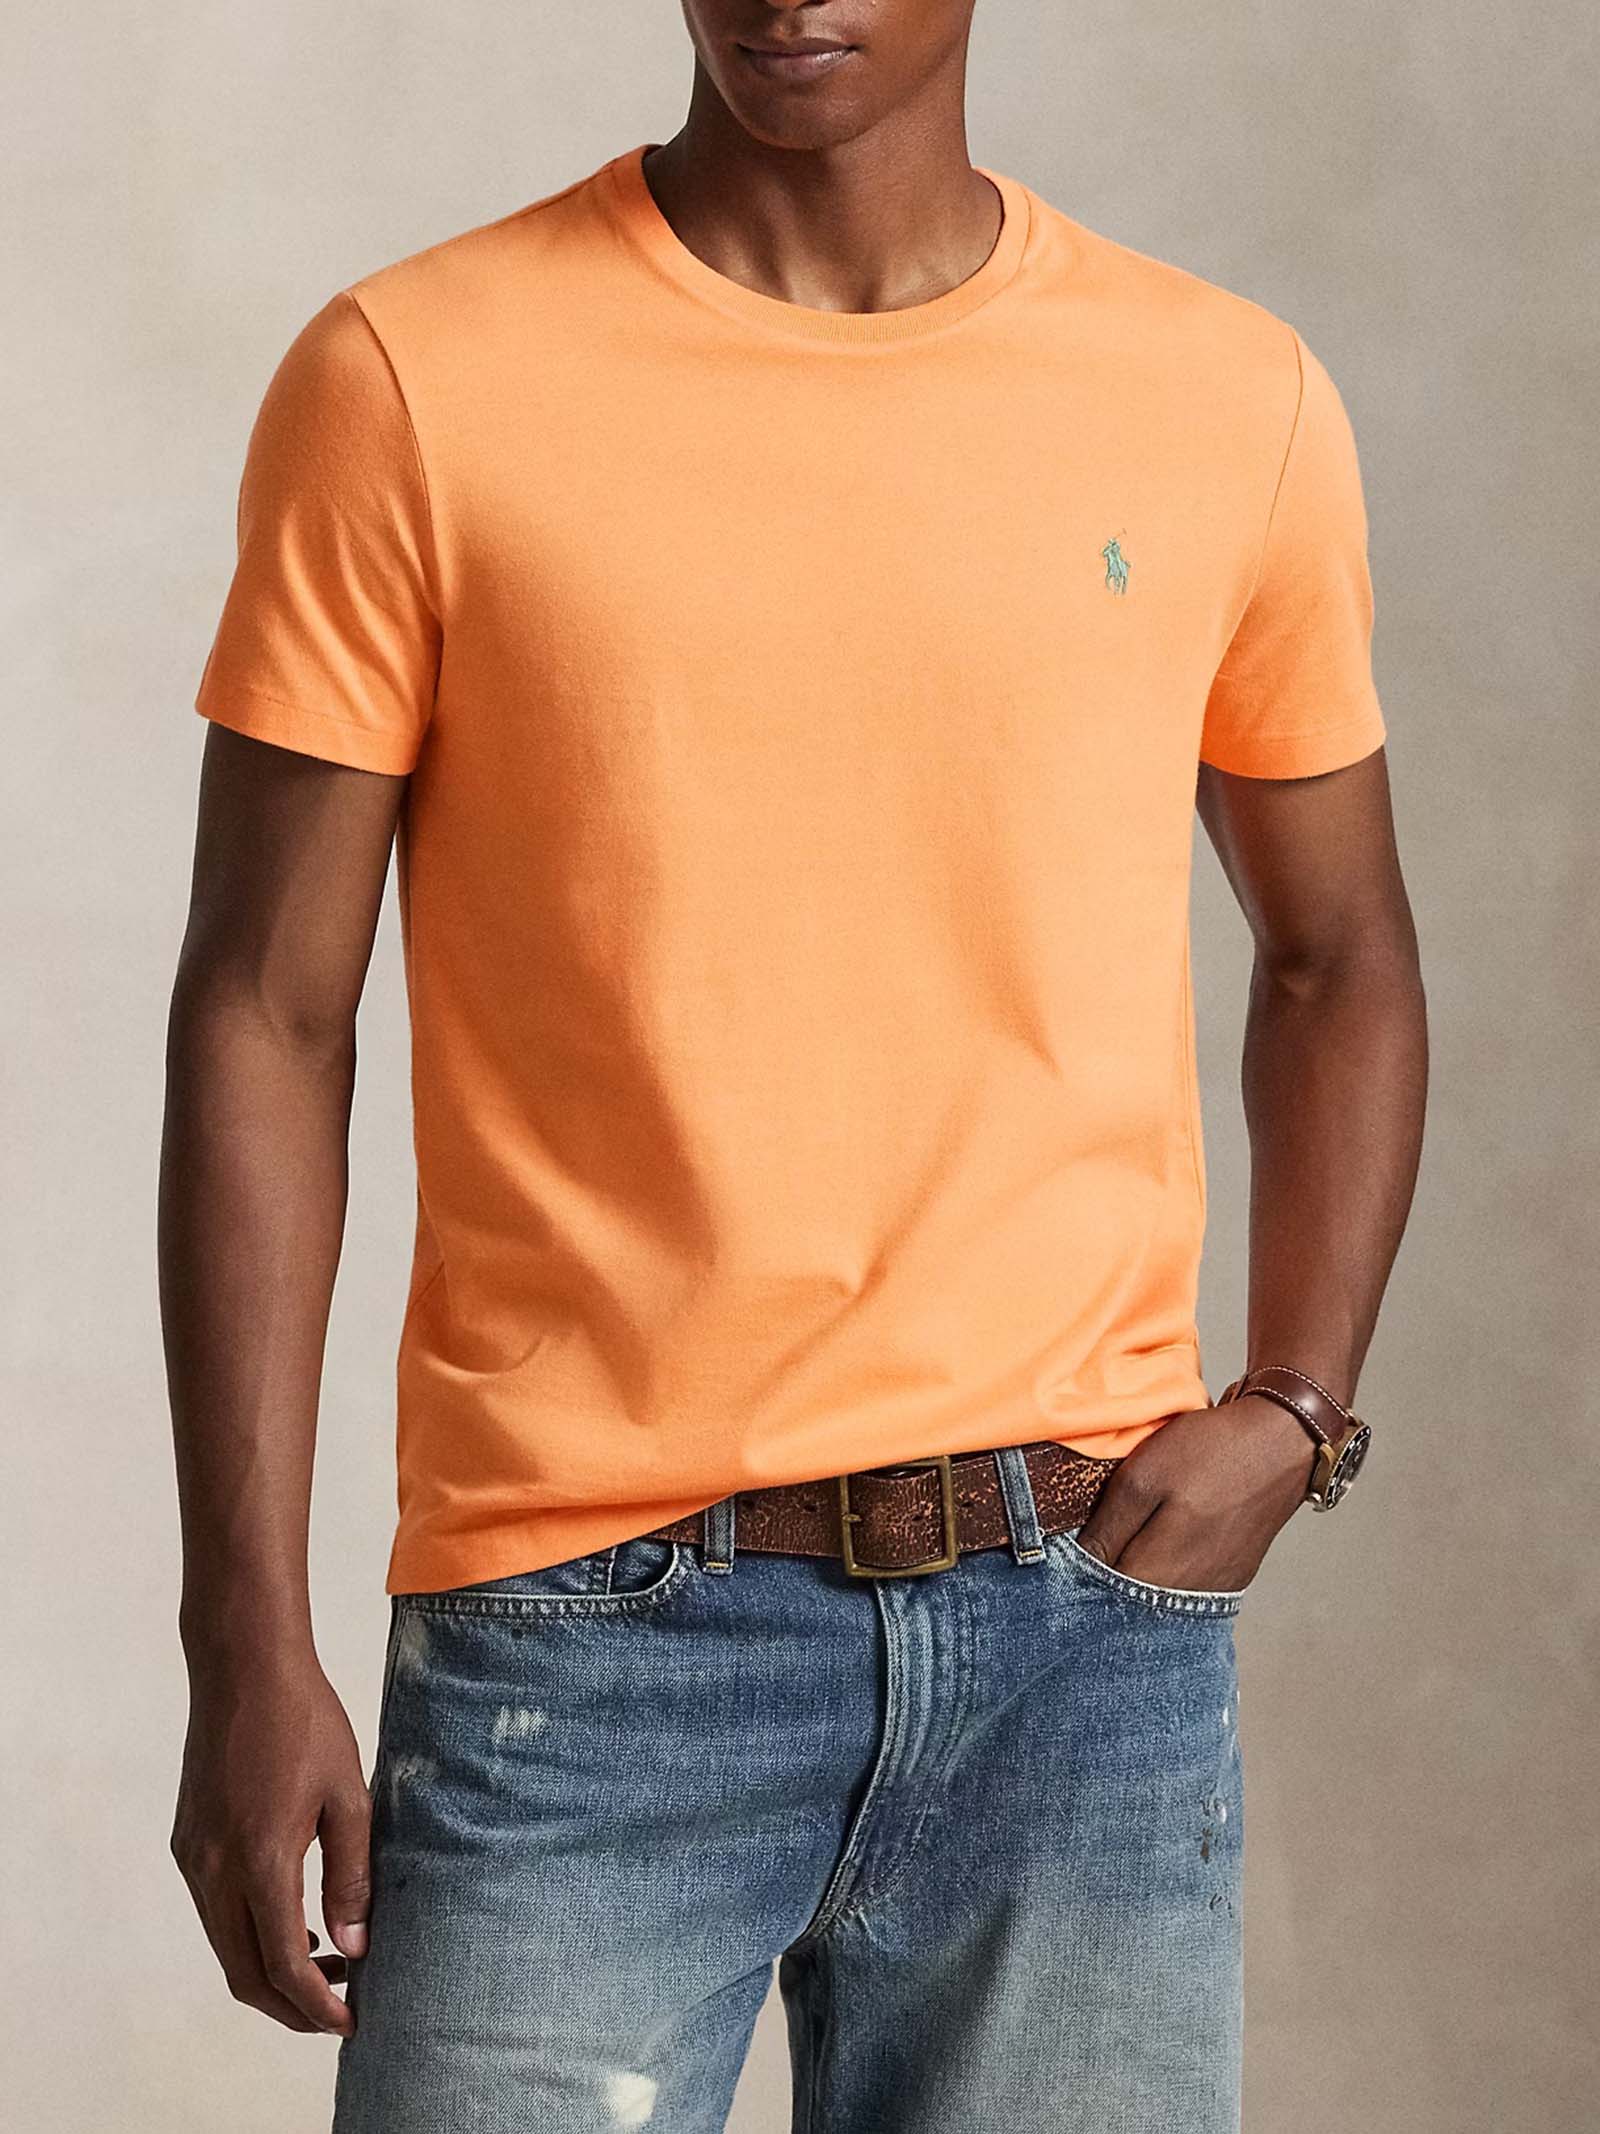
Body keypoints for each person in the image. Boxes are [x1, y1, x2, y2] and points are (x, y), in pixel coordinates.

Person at [160, 4, 1427, 2128]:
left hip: (1077, 1628)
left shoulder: (1225, 395)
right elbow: (265, 1011)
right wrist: (242, 1636)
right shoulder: (410, 377)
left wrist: (1296, 1410)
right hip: (578, 1633)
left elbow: (1342, 951)